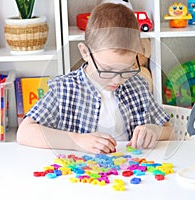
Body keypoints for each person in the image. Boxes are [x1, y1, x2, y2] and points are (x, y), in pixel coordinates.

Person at [17, 3, 174, 154]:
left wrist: (154, 131)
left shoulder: (137, 85)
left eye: (126, 70)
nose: (117, 81)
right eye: (107, 70)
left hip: (130, 173)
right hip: (81, 175)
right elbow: (24, 132)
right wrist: (76, 141)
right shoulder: (65, 89)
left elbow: (170, 130)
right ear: (85, 53)